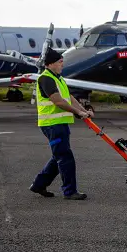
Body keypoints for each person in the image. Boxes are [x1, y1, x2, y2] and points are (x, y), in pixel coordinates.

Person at [28, 49, 93, 200]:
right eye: (60, 62)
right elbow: (57, 101)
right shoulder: (46, 79)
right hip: (52, 124)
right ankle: (70, 191)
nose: (62, 64)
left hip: (60, 123)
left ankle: (39, 184)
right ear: (50, 64)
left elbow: (69, 97)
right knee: (65, 157)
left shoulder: (58, 78)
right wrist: (78, 113)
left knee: (58, 156)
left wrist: (84, 111)